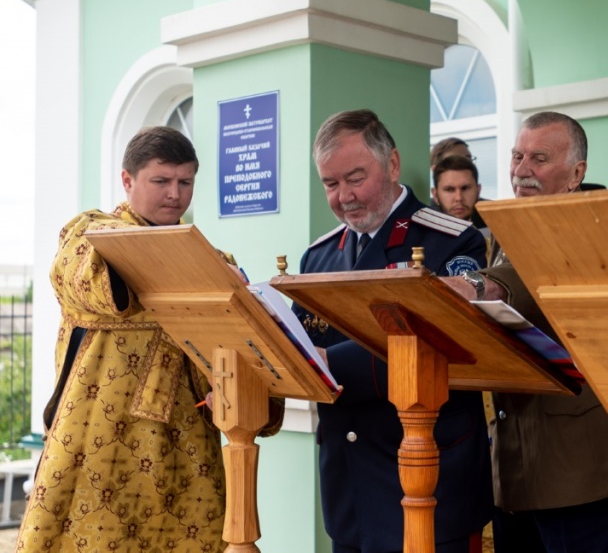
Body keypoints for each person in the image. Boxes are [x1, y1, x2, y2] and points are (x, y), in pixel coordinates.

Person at [18, 126, 279, 552]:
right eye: (161, 181)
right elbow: (90, 284)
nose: (175, 194)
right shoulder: (89, 235)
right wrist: (195, 273)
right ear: (128, 180)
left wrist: (237, 390)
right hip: (94, 446)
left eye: (185, 182)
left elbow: (242, 346)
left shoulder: (214, 260)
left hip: (186, 450)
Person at [444, 111, 608, 553]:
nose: (521, 170)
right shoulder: (507, 226)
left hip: (585, 470)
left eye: (539, 158)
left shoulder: (595, 224)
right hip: (519, 467)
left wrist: (476, 285)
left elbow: (524, 280)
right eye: (517, 156)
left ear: (577, 173)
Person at [292, 109, 492, 553]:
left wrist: (331, 363)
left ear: (394, 165)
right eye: (330, 183)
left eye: (355, 178)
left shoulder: (453, 240)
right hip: (349, 488)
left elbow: (443, 340)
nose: (344, 196)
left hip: (431, 484)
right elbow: (299, 344)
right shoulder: (319, 258)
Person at [432, 154, 493, 262]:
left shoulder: (496, 244)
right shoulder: (421, 245)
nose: (459, 198)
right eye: (449, 189)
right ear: (435, 195)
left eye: (465, 188)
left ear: (478, 191)